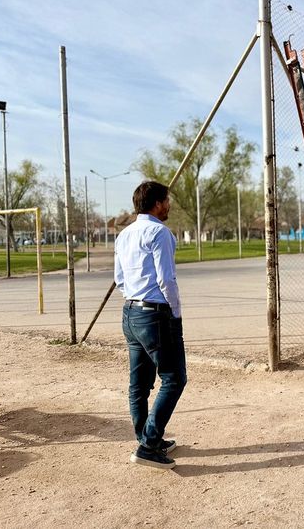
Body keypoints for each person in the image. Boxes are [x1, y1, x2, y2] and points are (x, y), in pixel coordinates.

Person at [114, 181, 186, 470]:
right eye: (166, 201)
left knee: (139, 384)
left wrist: (134, 299)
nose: (168, 206)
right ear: (157, 203)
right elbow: (166, 279)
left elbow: (119, 278)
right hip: (155, 315)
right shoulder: (160, 232)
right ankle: (149, 444)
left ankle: (147, 437)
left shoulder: (124, 234)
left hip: (130, 312)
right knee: (174, 378)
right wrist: (176, 312)